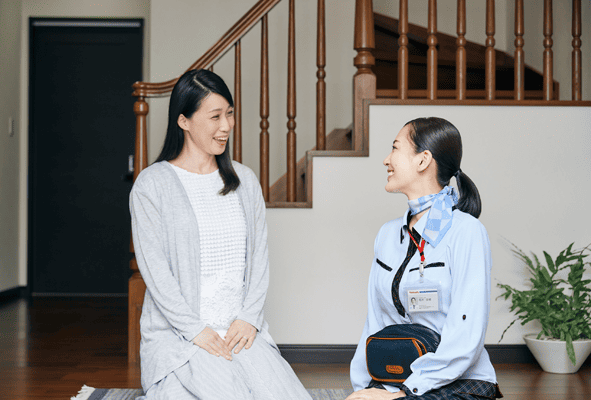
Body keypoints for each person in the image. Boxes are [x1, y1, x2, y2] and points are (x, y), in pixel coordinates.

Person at [130, 69, 311, 399]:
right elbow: (156, 272)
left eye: (229, 113)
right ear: (184, 121)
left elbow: (259, 259)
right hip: (182, 336)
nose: (226, 125)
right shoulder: (152, 185)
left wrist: (249, 318)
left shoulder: (244, 180)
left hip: (240, 330)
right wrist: (194, 329)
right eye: (215, 116)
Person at [347, 118, 502, 400]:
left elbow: (466, 335)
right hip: (397, 378)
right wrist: (365, 388)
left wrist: (405, 393)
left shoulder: (466, 232)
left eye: (395, 148)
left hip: (457, 381)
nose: (386, 160)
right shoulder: (387, 235)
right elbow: (376, 321)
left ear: (423, 160)